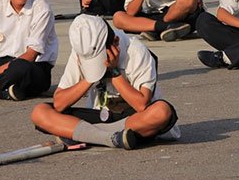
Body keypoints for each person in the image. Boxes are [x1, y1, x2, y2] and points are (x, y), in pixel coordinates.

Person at [30, 14, 179, 150]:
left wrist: (114, 73)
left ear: (115, 42)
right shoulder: (82, 51)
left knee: (162, 111)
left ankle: (82, 135)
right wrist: (89, 77)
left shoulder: (136, 51)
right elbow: (59, 103)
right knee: (40, 112)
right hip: (99, 116)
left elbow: (141, 104)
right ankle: (109, 138)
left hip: (132, 119)